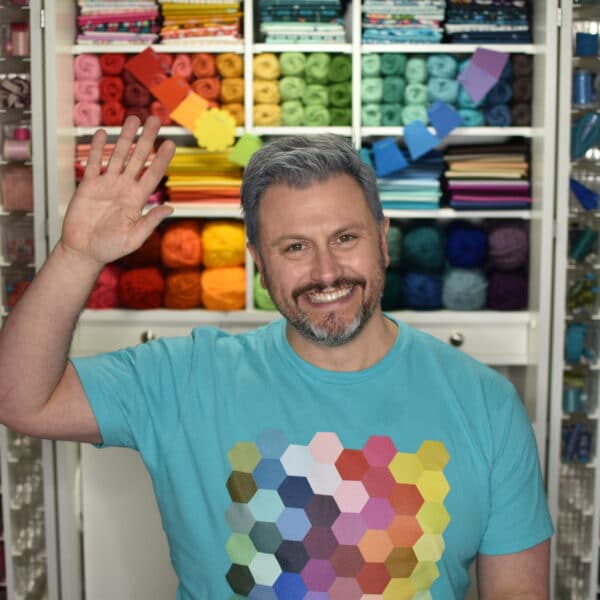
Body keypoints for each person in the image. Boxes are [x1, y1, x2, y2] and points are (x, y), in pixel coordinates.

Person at [0, 115, 553, 599]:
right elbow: (21, 400)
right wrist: (77, 256)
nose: (326, 271)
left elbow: (518, 591)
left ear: (384, 240)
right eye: (294, 247)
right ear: (259, 263)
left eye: (345, 238)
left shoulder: (485, 402)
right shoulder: (185, 378)